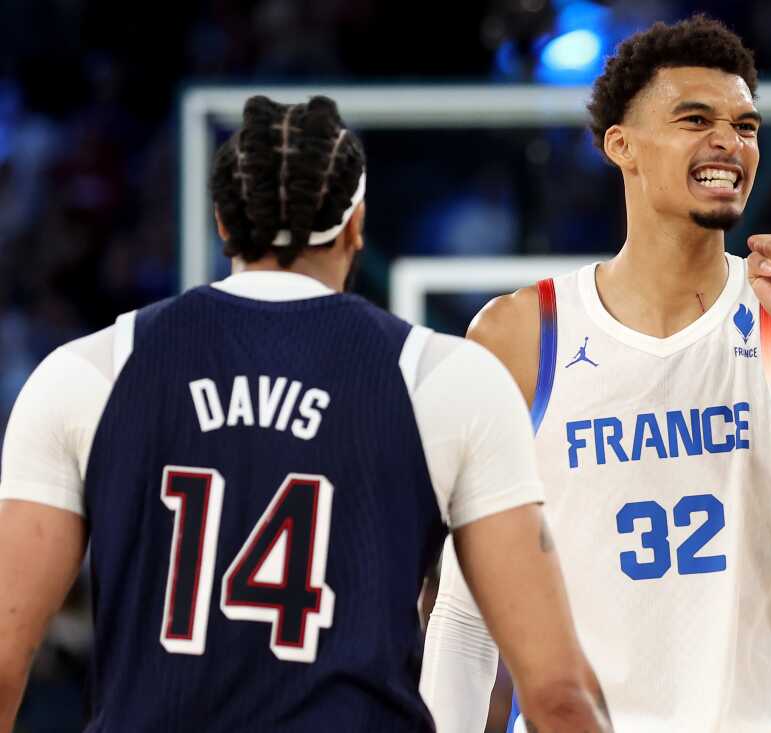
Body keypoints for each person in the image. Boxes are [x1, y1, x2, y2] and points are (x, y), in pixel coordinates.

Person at [0, 96, 611, 733]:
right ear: (355, 226)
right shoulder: (448, 380)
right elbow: (558, 697)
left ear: (222, 224)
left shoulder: (87, 374)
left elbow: (4, 660)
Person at [420, 15, 771, 732]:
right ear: (621, 145)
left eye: (746, 126)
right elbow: (467, 618)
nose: (730, 142)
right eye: (695, 118)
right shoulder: (520, 335)